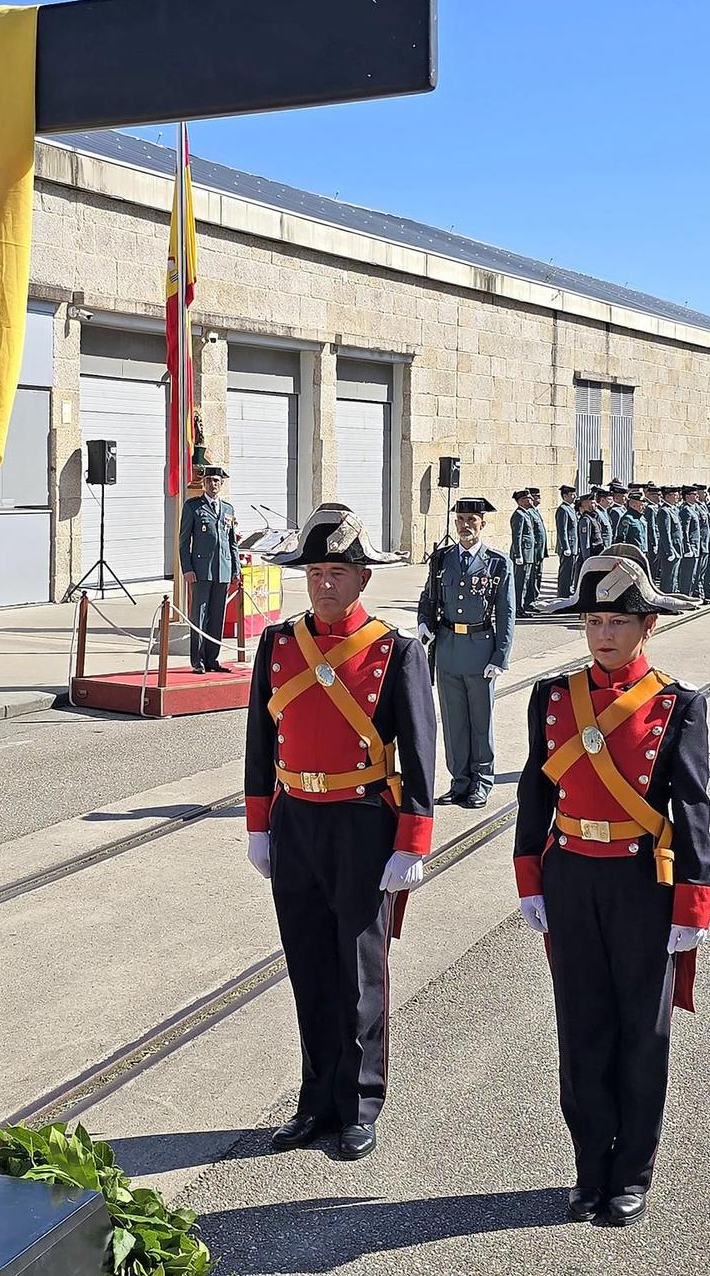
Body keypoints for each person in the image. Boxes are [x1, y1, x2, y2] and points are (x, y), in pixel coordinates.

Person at [513, 544, 710, 1227]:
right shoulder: (551, 697)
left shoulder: (678, 705)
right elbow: (533, 794)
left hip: (639, 880)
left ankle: (631, 1173)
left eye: (618, 621)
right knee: (582, 1029)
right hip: (571, 876)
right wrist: (529, 878)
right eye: (594, 620)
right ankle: (589, 1166)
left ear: (647, 626)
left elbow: (691, 808)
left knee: (641, 1033)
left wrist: (694, 898)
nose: (603, 634)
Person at [245, 503, 436, 1159]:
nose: (325, 583)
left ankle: (359, 1103)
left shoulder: (396, 650)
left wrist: (412, 839)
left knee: (360, 976)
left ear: (363, 579)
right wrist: (259, 826)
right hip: (296, 820)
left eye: (339, 572)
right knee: (308, 968)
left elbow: (419, 749)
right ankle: (315, 1100)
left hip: (362, 823)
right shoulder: (277, 645)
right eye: (316, 571)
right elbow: (258, 744)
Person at [419, 496, 516, 806]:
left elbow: (506, 613)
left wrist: (500, 657)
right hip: (448, 647)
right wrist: (423, 622)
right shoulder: (441, 559)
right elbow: (429, 597)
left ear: (482, 524)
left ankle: (482, 781)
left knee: (480, 720)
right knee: (454, 721)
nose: (464, 526)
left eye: (471, 521)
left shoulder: (498, 563)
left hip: (480, 650)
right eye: (460, 520)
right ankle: (459, 781)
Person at [178, 464, 238, 673]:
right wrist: (187, 568)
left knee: (217, 615)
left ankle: (212, 658)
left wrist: (235, 569)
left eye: (217, 481)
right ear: (204, 484)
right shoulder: (193, 507)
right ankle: (198, 661)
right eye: (209, 481)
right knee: (199, 616)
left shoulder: (228, 508)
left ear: (221, 484)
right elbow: (184, 541)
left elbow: (232, 543)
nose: (213, 484)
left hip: (222, 569)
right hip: (201, 570)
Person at [510, 490, 542, 615]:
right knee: (520, 583)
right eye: (528, 499)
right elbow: (516, 536)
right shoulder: (518, 515)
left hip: (529, 554)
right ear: (521, 501)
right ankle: (517, 608)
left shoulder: (526, 514)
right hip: (523, 554)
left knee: (526, 581)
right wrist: (518, 555)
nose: (531, 501)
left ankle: (522, 606)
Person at [555, 484, 582, 599]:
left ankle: (567, 591)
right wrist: (565, 546)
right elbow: (562, 530)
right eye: (571, 494)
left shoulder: (570, 509)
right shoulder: (563, 510)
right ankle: (563, 593)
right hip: (568, 546)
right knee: (565, 572)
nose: (574, 496)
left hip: (573, 546)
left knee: (571, 571)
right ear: (565, 496)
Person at [615, 486, 651, 552]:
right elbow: (621, 538)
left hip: (643, 551)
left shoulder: (641, 517)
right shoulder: (627, 518)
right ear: (633, 505)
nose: (644, 508)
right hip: (632, 553)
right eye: (641, 505)